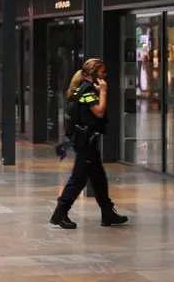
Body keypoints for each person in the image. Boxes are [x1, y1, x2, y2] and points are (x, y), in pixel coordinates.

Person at [50, 58, 128, 229]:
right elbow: (99, 112)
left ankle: (107, 213)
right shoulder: (87, 91)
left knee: (99, 179)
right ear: (92, 73)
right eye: (101, 72)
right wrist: (104, 91)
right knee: (77, 179)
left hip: (87, 141)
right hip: (86, 143)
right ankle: (60, 213)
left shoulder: (82, 89)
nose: (104, 75)